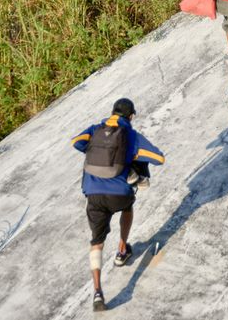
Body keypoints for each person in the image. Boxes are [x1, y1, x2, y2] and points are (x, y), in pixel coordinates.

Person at [72, 98, 165, 312]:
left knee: (96, 242)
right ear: (131, 116)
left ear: (112, 112)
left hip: (93, 193)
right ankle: (122, 250)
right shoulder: (131, 135)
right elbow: (159, 159)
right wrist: (130, 158)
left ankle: (97, 292)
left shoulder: (96, 129)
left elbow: (76, 142)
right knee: (127, 207)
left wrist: (98, 153)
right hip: (120, 194)